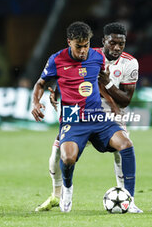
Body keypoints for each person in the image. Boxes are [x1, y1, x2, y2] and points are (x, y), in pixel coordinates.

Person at [32, 21, 142, 213]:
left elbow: (100, 83)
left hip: (100, 116)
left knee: (125, 145)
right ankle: (62, 193)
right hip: (73, 118)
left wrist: (113, 103)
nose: (83, 51)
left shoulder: (107, 59)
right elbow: (47, 82)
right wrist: (44, 98)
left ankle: (129, 200)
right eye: (79, 47)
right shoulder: (62, 58)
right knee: (64, 156)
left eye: (86, 46)